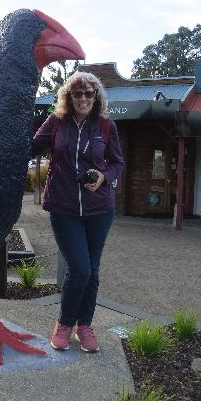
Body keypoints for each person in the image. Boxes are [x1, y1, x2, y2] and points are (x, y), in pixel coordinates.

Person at [33, 71, 124, 352]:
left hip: (99, 209)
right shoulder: (56, 123)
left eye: (89, 93)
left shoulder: (106, 126)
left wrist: (103, 176)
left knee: (92, 272)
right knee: (80, 269)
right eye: (78, 93)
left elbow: (117, 163)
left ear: (96, 97)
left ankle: (84, 326)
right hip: (64, 207)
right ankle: (64, 323)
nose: (83, 98)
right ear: (68, 97)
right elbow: (30, 146)